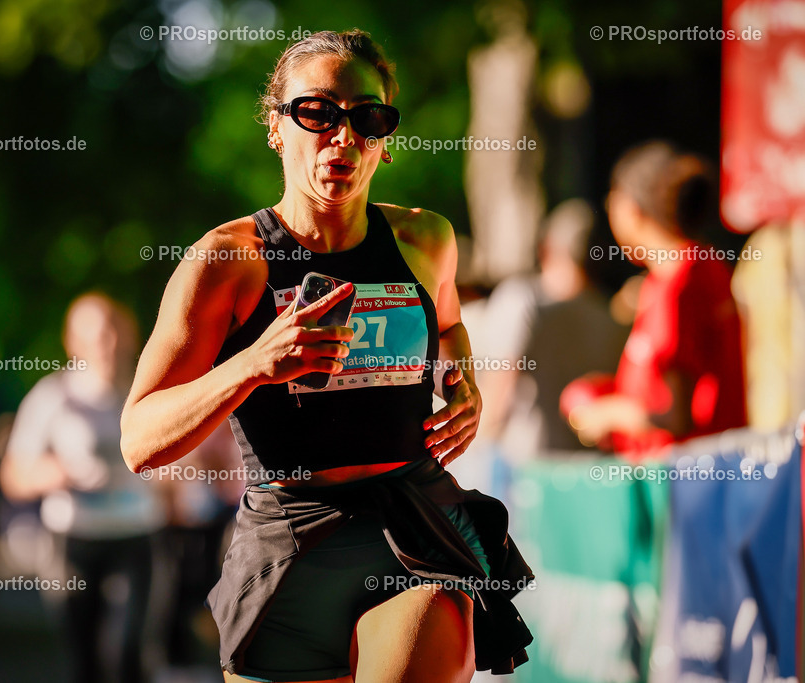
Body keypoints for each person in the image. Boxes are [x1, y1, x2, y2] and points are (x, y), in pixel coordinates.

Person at [120, 29, 533, 683]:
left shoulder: (425, 239)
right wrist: (253, 363)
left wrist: (463, 382)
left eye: (368, 118)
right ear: (276, 127)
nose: (343, 136)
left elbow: (449, 322)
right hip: (288, 545)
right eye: (317, 112)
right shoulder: (227, 261)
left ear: (385, 140)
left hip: (412, 528)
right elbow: (140, 440)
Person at [1, 293, 165, 683]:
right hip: (74, 540)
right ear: (72, 342)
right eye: (94, 335)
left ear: (128, 335)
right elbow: (13, 475)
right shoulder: (53, 397)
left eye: (113, 331)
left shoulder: (148, 393)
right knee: (83, 661)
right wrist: (52, 473)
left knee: (129, 654)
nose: (106, 343)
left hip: (137, 537)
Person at [564, 141, 747, 457]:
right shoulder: (707, 265)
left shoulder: (676, 284)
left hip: (684, 475)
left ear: (631, 209)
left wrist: (607, 413)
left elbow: (675, 417)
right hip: (721, 466)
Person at [477, 199, 629, 458]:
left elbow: (497, 395)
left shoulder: (521, 300)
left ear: (546, 248)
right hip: (595, 467)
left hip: (528, 467)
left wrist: (474, 453)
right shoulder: (612, 319)